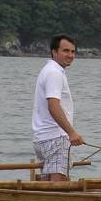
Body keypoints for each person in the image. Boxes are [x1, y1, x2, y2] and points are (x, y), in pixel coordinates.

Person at [32, 34, 84, 181]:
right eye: (66, 51)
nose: (70, 55)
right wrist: (72, 133)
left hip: (42, 139)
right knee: (58, 186)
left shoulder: (48, 70)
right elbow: (53, 106)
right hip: (55, 138)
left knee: (46, 183)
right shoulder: (54, 73)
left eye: (73, 52)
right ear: (54, 52)